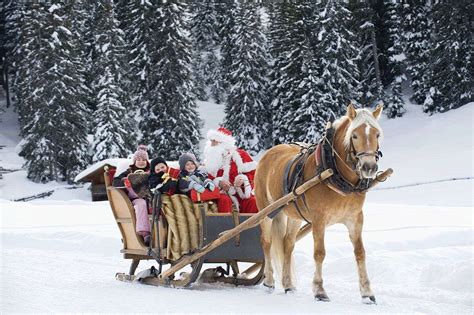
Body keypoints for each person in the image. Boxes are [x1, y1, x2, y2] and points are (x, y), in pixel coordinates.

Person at [203, 127, 258, 213]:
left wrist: (243, 180)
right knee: (225, 201)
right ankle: (227, 226)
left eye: (214, 141)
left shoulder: (241, 155)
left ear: (224, 142)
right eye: (211, 140)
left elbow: (254, 174)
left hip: (241, 194)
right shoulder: (210, 159)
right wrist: (219, 183)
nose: (212, 143)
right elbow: (206, 179)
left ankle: (252, 226)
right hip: (221, 194)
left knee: (253, 202)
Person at [113, 145, 152, 245]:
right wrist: (125, 181)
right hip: (136, 198)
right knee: (141, 204)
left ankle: (162, 231)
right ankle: (145, 233)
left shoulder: (150, 172)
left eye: (143, 159)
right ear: (134, 161)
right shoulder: (129, 171)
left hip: (150, 197)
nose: (141, 161)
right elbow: (116, 182)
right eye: (138, 159)